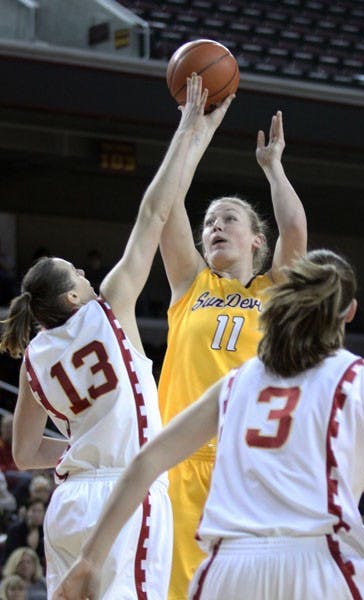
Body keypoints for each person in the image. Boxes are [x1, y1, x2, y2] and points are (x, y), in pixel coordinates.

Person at [52, 249, 364, 600]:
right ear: (350, 311)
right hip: (316, 563)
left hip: (228, 571)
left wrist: (90, 558)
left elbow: (146, 462)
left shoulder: (236, 384)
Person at [0, 75, 234, 598]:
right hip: (126, 497)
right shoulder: (110, 308)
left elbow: (23, 452)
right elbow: (153, 211)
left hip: (68, 506)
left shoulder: (33, 358)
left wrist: (77, 450)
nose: (86, 274)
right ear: (74, 297)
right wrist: (188, 128)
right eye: (77, 273)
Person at [158, 75, 307, 599]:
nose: (214, 227)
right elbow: (165, 207)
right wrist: (191, 134)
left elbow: (295, 229)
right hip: (180, 462)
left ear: (255, 240)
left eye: (227, 219)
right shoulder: (190, 283)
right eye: (209, 223)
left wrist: (274, 168)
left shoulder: (275, 290)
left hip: (250, 467)